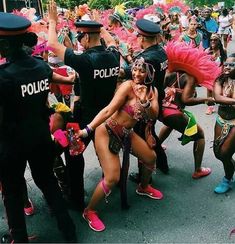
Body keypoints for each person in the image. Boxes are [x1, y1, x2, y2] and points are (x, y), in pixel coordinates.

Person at [0, 12, 77, 243]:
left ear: (4, 44)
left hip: (11, 144)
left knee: (12, 193)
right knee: (47, 181)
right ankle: (69, 230)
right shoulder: (40, 67)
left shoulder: (3, 76)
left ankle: (19, 239)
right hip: (40, 137)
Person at [48, 0, 120, 210]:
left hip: (84, 119)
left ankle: (76, 198)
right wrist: (99, 26)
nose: (80, 44)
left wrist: (52, 22)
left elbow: (52, 45)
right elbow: (111, 41)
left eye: (81, 39)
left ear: (86, 37)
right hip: (107, 118)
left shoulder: (85, 61)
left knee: (73, 157)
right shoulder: (114, 56)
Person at [78, 57, 163, 232]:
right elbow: (108, 110)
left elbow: (154, 115)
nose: (137, 74)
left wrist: (144, 101)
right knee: (112, 178)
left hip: (126, 133)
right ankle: (89, 211)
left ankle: (144, 186)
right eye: (135, 69)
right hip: (107, 131)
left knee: (150, 157)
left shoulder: (152, 91)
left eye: (142, 70)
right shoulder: (127, 86)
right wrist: (87, 130)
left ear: (150, 73)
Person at [158, 41, 221, 179]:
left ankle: (157, 146)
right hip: (173, 112)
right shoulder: (190, 77)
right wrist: (205, 100)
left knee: (169, 125)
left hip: (161, 111)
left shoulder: (170, 73)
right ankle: (198, 170)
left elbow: (161, 90)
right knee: (200, 136)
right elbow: (187, 100)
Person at [125, 18, 169, 183]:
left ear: (142, 38)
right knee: (150, 134)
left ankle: (145, 177)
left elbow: (132, 74)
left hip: (145, 101)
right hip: (156, 97)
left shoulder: (145, 58)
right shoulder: (161, 52)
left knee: (142, 138)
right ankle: (163, 164)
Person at [213, 54, 235, 193]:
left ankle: (227, 179)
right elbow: (217, 97)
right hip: (221, 119)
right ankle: (231, 169)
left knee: (225, 153)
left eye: (231, 65)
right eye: (226, 64)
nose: (227, 66)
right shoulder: (220, 79)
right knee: (218, 153)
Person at [205, 33, 226, 115]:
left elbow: (225, 62)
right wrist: (210, 58)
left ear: (219, 41)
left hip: (220, 73)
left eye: (215, 39)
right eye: (211, 40)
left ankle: (222, 103)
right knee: (209, 89)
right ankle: (210, 107)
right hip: (209, 73)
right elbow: (203, 63)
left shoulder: (223, 50)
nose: (213, 41)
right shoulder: (207, 51)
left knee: (219, 90)